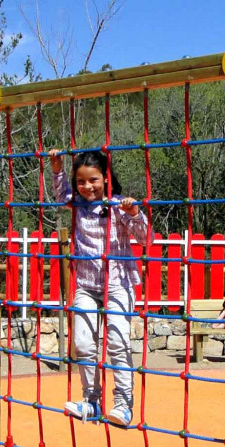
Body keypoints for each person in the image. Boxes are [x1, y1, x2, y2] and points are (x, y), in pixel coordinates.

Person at [49, 149, 152, 427]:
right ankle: (91, 401)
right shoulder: (77, 204)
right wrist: (57, 169)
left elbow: (146, 239)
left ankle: (123, 404)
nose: (87, 186)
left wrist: (135, 213)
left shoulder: (117, 205)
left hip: (117, 284)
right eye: (80, 181)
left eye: (93, 180)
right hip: (86, 285)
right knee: (83, 344)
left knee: (118, 343)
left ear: (105, 178)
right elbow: (61, 195)